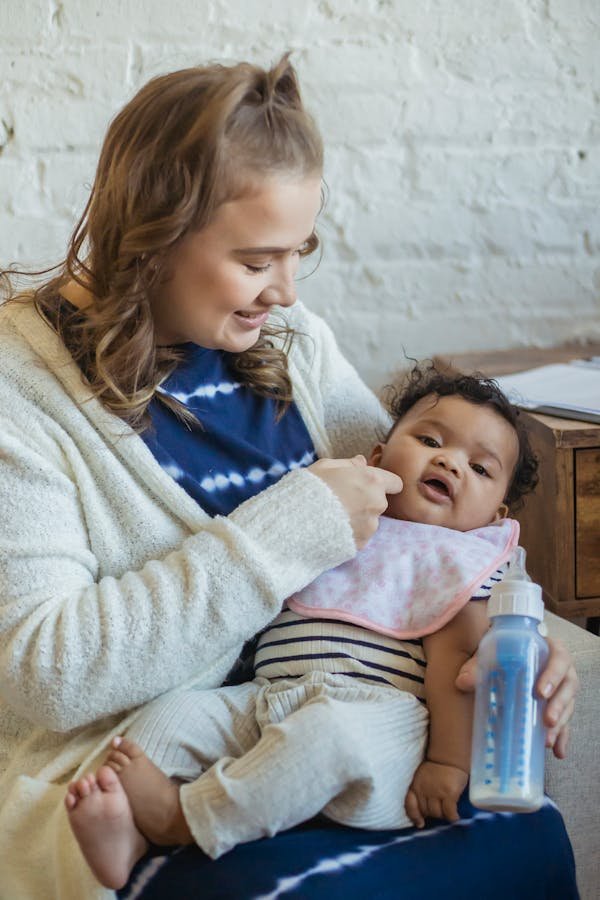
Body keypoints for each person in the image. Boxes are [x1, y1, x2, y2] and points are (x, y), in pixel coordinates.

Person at [0, 55, 578, 900]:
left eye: (299, 251)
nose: (287, 289)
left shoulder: (291, 341)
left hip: (332, 720)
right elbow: (45, 673)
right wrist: (285, 532)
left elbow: (433, 521)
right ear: (153, 234)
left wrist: (512, 630)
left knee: (526, 840)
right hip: (137, 765)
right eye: (257, 259)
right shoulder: (23, 391)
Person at [64, 364, 538, 886]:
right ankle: (129, 836)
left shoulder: (456, 563)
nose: (450, 461)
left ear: (496, 515)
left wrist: (448, 764)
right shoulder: (343, 516)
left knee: (325, 739)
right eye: (429, 439)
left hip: (374, 716)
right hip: (267, 695)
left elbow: (459, 669)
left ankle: (186, 818)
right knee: (168, 717)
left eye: (481, 467)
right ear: (378, 459)